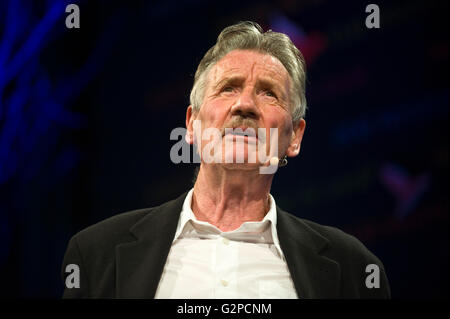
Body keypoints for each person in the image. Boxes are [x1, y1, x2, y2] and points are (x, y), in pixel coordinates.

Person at [61, 21, 390, 299]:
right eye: (228, 88)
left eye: (268, 93)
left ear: (295, 137)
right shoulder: (97, 254)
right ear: (192, 124)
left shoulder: (352, 270)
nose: (244, 105)